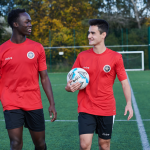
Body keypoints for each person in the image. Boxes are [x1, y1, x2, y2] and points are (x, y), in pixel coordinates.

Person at [65, 19, 133, 150]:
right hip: (86, 107)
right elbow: (70, 83)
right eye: (88, 33)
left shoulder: (116, 57)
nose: (89, 36)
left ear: (103, 35)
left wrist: (129, 103)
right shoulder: (82, 56)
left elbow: (124, 83)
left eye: (93, 33)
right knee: (84, 145)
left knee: (104, 145)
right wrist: (68, 88)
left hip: (106, 108)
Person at [0, 9, 57, 150]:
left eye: (30, 21)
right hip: (11, 103)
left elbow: (44, 78)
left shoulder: (37, 48)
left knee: (40, 144)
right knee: (16, 143)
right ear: (15, 24)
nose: (30, 24)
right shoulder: (2, 50)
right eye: (27, 22)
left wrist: (52, 103)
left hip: (33, 102)